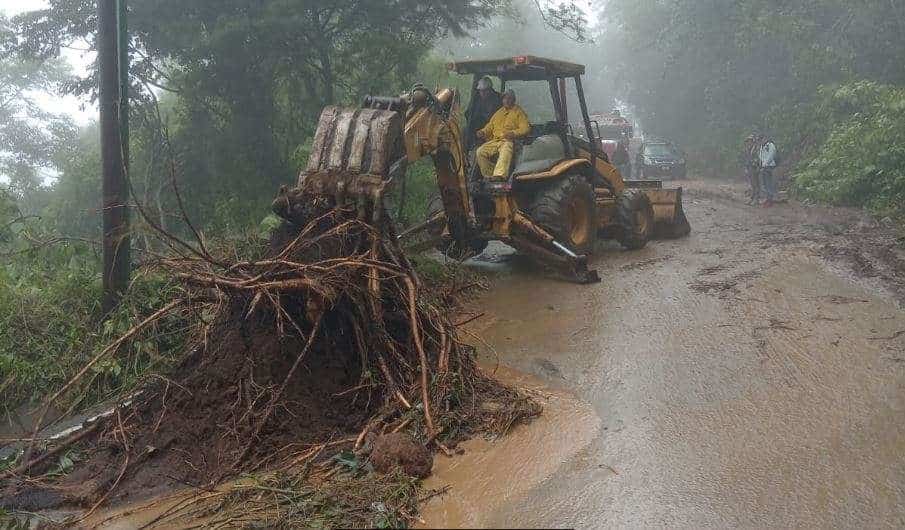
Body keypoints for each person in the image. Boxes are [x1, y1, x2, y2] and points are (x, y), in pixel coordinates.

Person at [476, 89, 531, 180]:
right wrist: (483, 132)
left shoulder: (519, 112)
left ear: (514, 99)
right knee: (480, 151)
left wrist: (513, 133)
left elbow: (526, 128)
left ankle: (499, 175)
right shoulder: (499, 112)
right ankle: (489, 176)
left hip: (509, 141)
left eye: (509, 98)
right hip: (495, 141)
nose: (506, 100)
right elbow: (490, 126)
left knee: (506, 148)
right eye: (505, 98)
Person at [464, 76, 501, 150]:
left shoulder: (497, 100)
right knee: (464, 133)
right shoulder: (476, 99)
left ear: (490, 90)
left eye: (485, 91)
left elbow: (497, 118)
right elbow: (468, 113)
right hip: (476, 128)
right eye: (481, 91)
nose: (482, 93)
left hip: (491, 129)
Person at [758, 135, 778, 206]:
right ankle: (768, 198)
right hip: (764, 166)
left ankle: (770, 199)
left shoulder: (770, 145)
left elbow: (771, 155)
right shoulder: (762, 146)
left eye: (762, 139)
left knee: (768, 183)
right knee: (765, 183)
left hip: (769, 166)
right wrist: (761, 164)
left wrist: (765, 164)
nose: (761, 141)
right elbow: (760, 156)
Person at [742, 134, 760, 204]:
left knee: (756, 183)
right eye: (748, 141)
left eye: (750, 141)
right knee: (752, 184)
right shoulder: (748, 149)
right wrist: (746, 167)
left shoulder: (756, 148)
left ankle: (756, 199)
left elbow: (758, 158)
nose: (749, 142)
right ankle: (752, 198)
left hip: (755, 167)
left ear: (753, 141)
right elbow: (746, 159)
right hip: (749, 167)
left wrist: (755, 164)